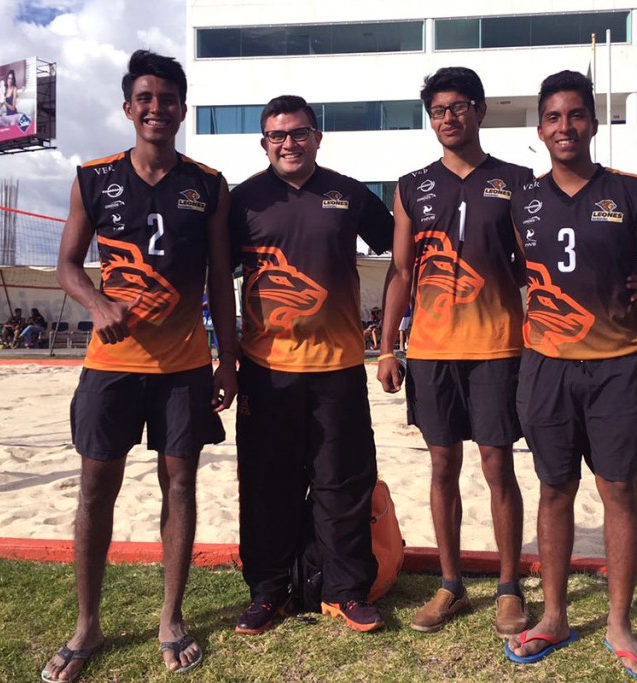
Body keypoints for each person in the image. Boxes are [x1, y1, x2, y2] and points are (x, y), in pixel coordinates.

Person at [42, 49, 237, 681]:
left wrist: (227, 361)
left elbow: (219, 279)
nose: (157, 108)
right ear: (129, 108)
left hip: (183, 365)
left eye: (169, 98)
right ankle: (86, 625)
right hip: (112, 364)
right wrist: (97, 302)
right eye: (145, 99)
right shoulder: (94, 176)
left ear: (182, 108)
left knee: (180, 485)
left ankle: (170, 617)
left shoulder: (207, 183)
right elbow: (67, 266)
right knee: (97, 487)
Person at [503, 70, 637, 683]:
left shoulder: (631, 193)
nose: (564, 127)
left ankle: (618, 624)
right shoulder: (521, 201)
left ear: (593, 122)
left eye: (575, 115)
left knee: (618, 490)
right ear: (540, 129)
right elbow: (505, 275)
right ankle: (553, 616)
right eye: (553, 118)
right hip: (546, 366)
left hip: (617, 367)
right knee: (554, 490)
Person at [229, 95, 394, 635]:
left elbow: (406, 249)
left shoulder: (346, 193)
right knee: (265, 483)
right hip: (265, 366)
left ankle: (347, 591)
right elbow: (204, 270)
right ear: (264, 143)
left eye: (299, 133)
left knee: (342, 480)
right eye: (277, 135)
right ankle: (268, 592)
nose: (289, 143)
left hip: (338, 364)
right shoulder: (243, 200)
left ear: (317, 137)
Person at [376, 66, 531, 637]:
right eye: (438, 110)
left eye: (458, 107)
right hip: (432, 350)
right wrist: (388, 347)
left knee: (498, 466)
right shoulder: (411, 184)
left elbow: (530, 269)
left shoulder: (517, 181)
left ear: (479, 110)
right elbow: (399, 271)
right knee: (442, 466)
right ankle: (450, 585)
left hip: (497, 347)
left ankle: (509, 587)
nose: (447, 118)